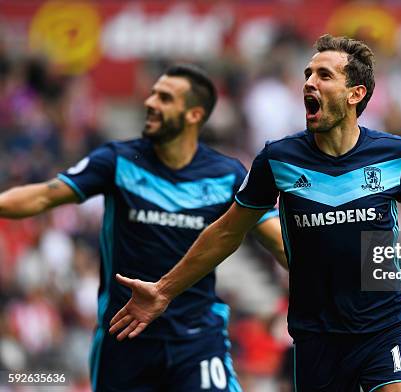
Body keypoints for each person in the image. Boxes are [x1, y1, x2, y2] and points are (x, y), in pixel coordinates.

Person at [109, 36, 401, 392]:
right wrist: (165, 290)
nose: (309, 83)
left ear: (356, 94)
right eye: (307, 75)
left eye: (324, 75)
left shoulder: (394, 154)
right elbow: (226, 233)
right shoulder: (278, 159)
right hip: (317, 337)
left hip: (387, 322)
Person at [0, 64, 286, 391]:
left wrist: (339, 281)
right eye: (152, 94)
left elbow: (278, 240)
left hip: (196, 340)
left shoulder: (227, 174)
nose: (150, 102)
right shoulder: (118, 160)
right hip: (125, 339)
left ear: (193, 114)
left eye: (164, 98)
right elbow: (41, 197)